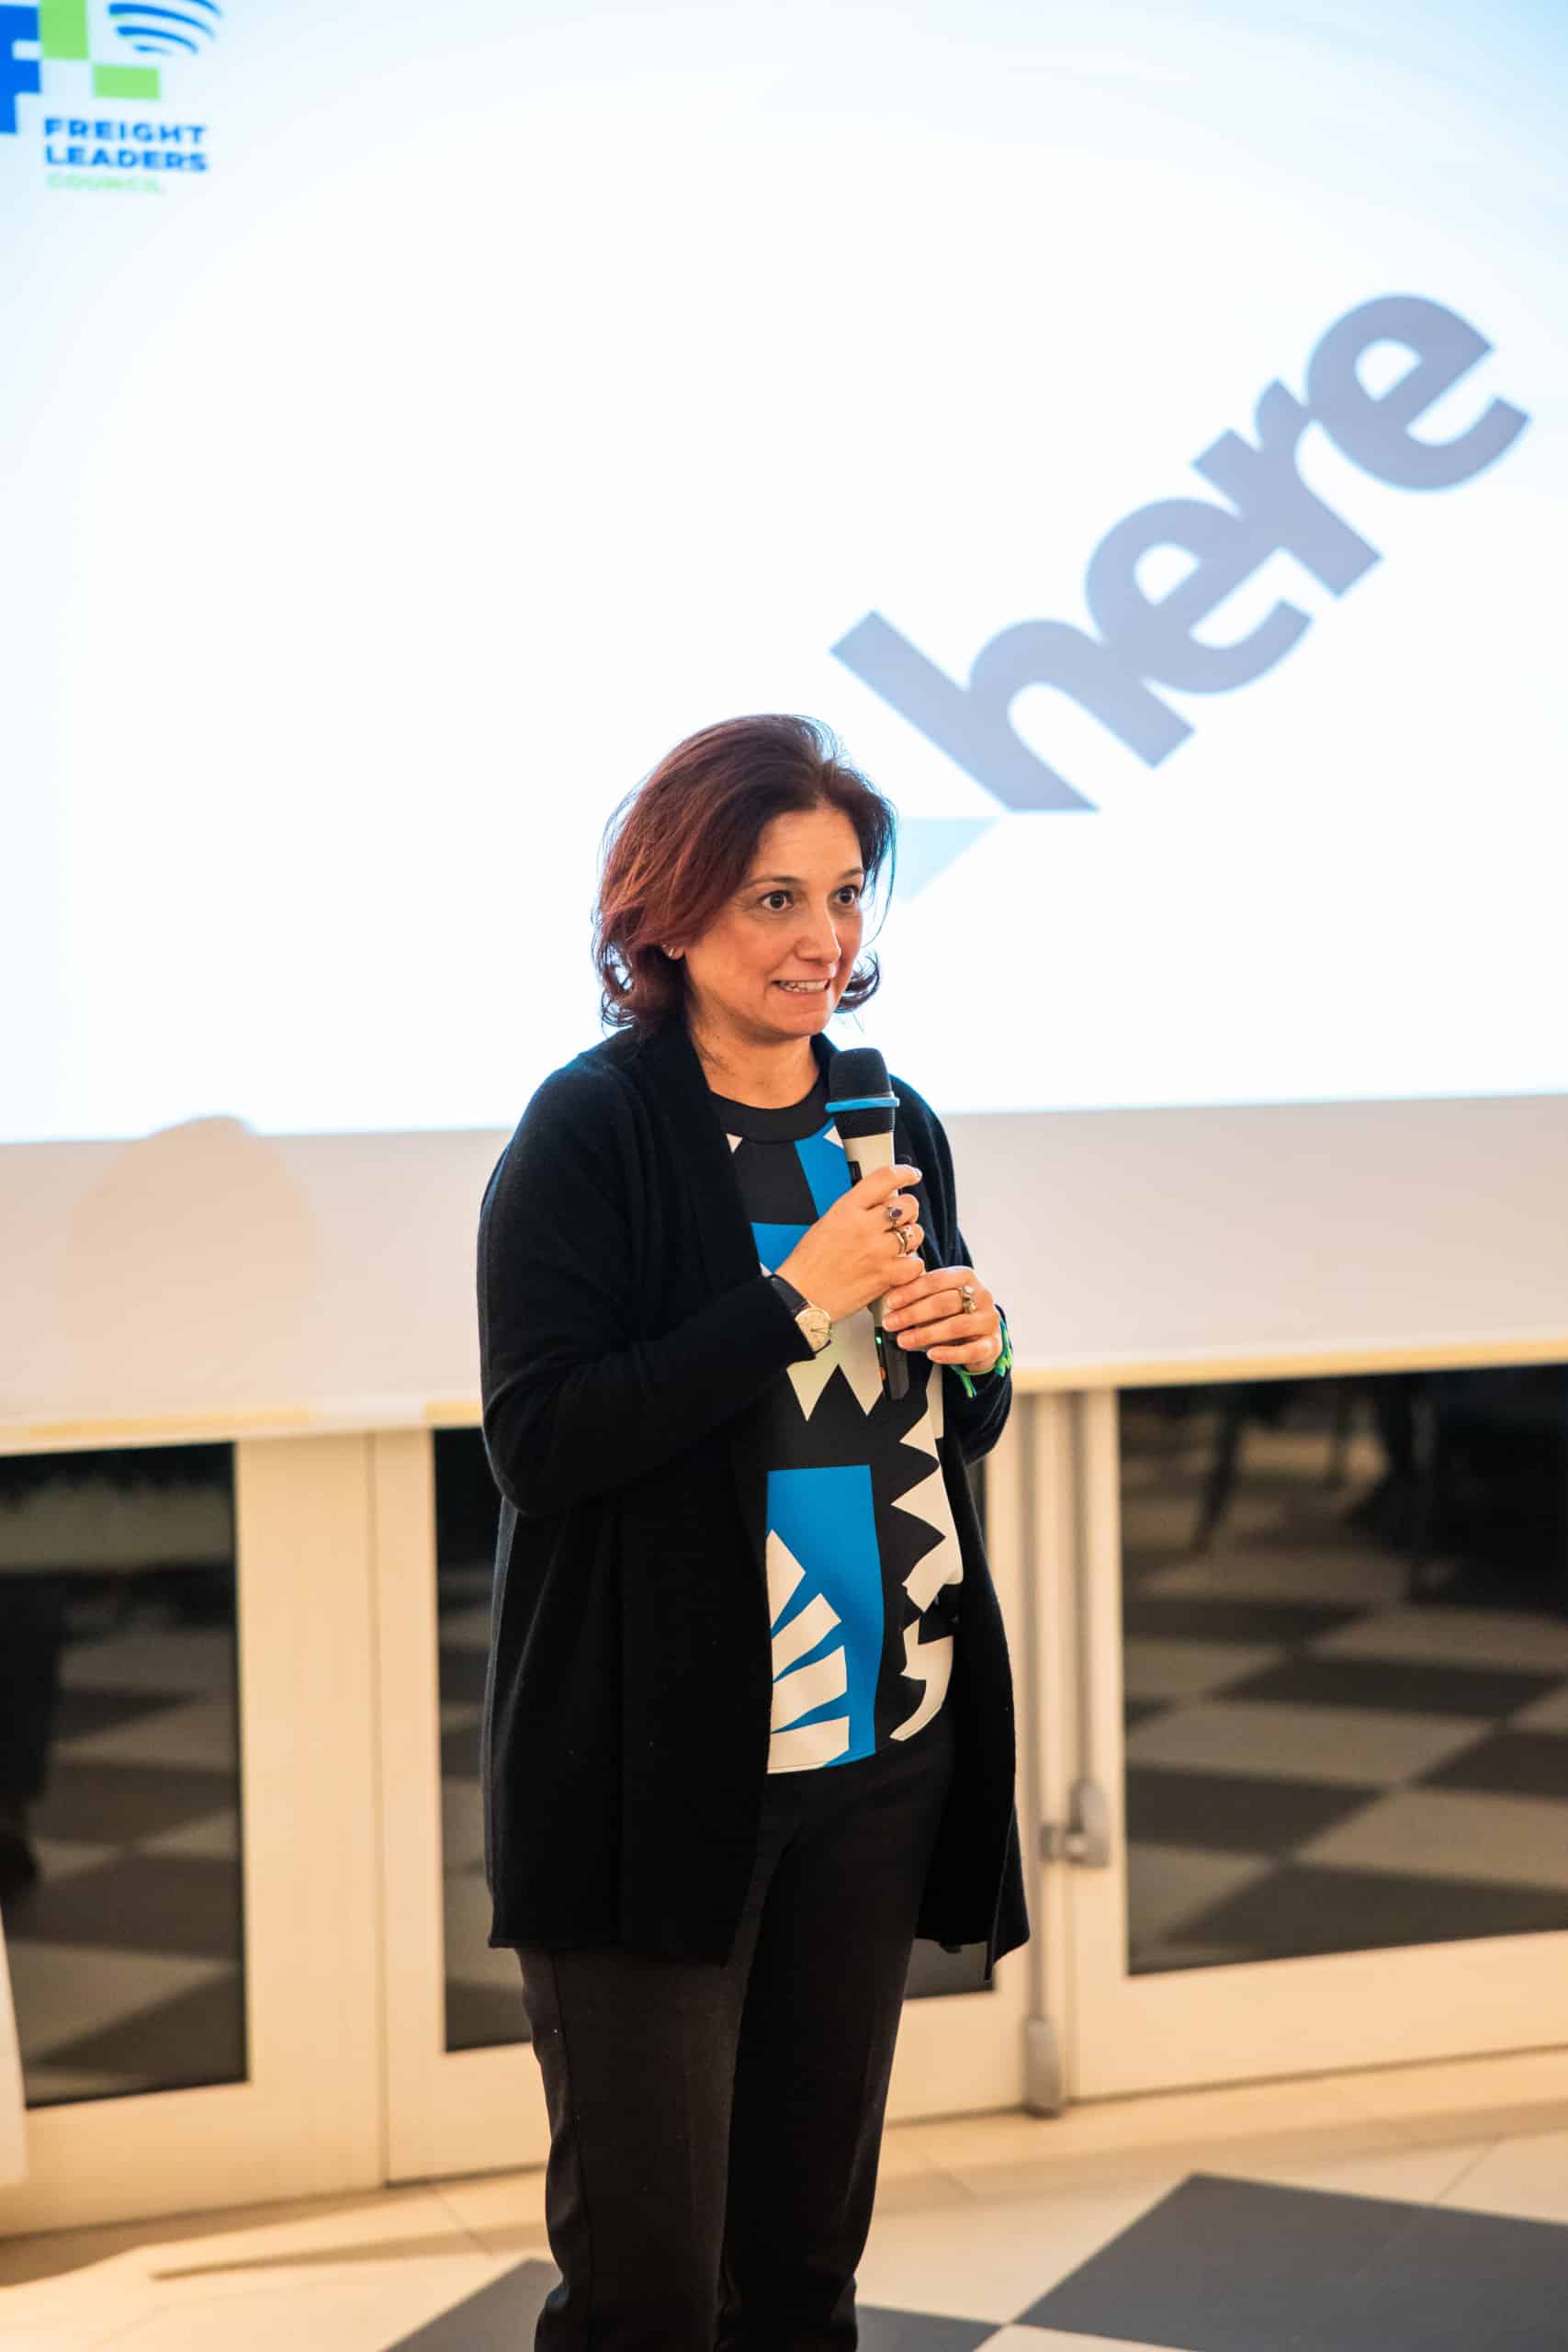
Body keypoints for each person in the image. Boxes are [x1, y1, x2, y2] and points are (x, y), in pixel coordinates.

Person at [476, 713, 1030, 2351]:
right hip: (666, 1764)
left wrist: (983, 1348)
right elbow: (542, 1442)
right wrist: (794, 1298)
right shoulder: (593, 1130)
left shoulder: (886, 1115)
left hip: (880, 1741)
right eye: (774, 899)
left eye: (844, 896)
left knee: (803, 2272)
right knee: (650, 2289)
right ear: (668, 914)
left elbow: (930, 1426)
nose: (821, 939)